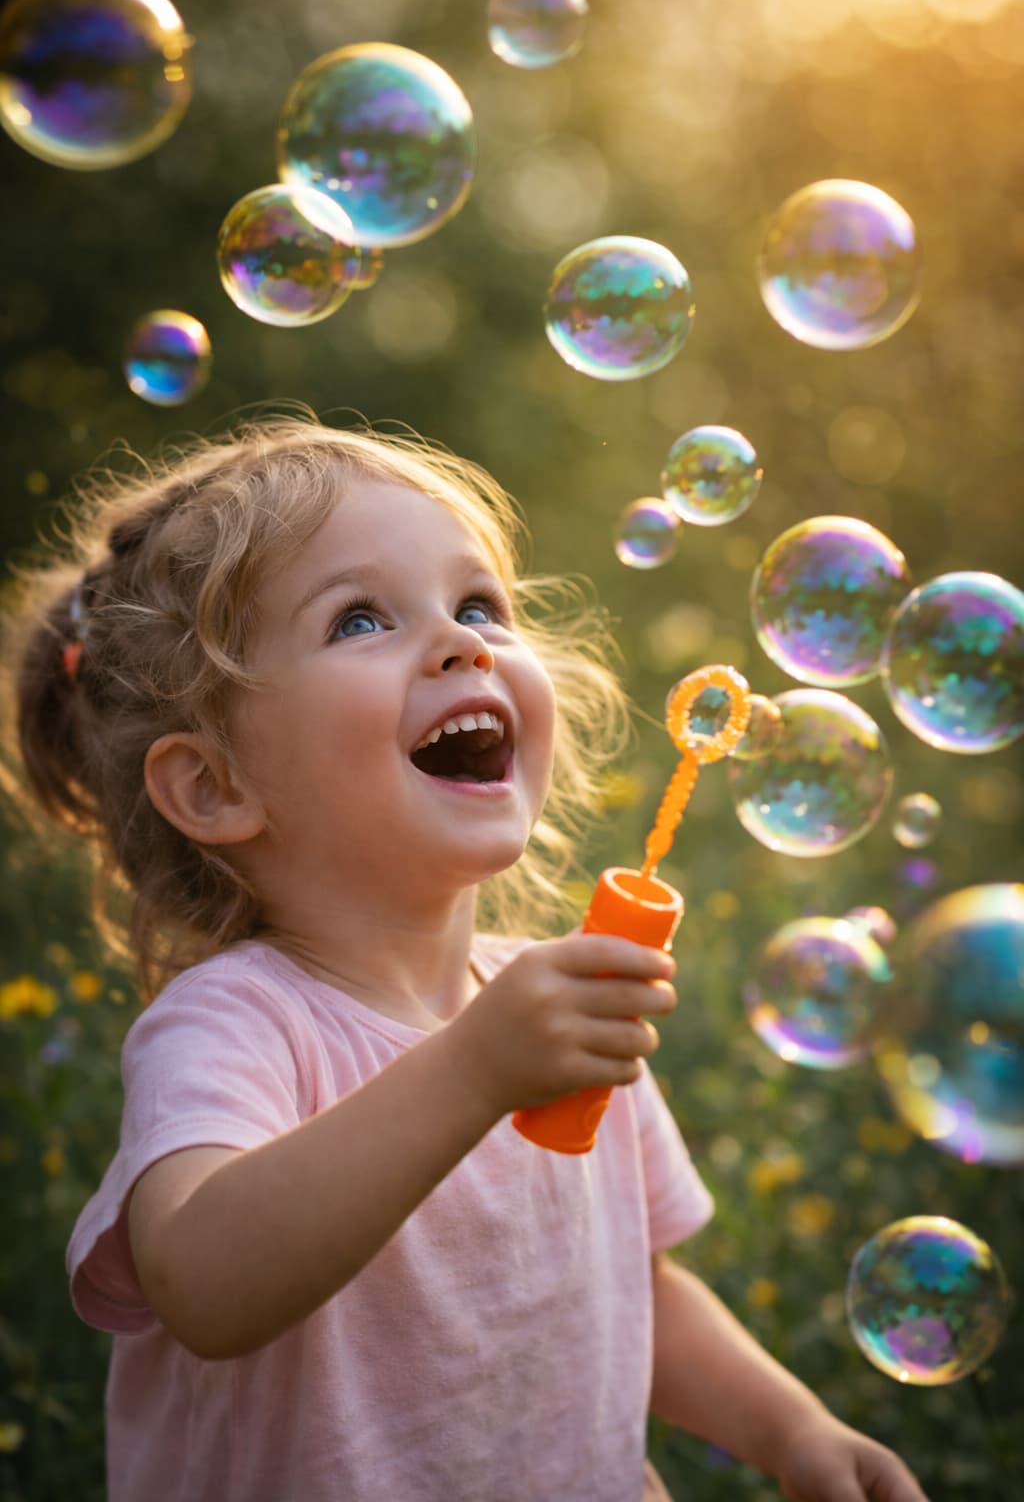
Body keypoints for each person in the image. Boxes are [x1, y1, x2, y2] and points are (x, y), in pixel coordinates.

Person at [2, 412, 930, 1502]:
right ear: (214, 786)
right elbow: (203, 1281)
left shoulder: (548, 1005)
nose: (461, 642)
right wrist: (476, 1067)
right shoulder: (240, 1023)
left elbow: (634, 1288)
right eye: (358, 619)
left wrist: (793, 1429)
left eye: (478, 603)